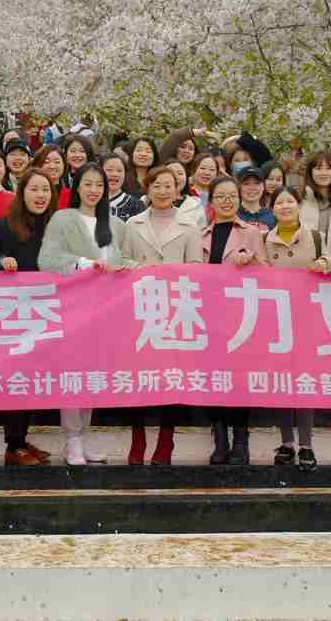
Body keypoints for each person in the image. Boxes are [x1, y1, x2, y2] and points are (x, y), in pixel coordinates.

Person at [39, 162, 136, 466]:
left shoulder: (116, 225)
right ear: (77, 186)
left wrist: (130, 268)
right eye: (88, 184)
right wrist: (83, 264)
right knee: (73, 373)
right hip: (73, 308)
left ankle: (84, 434)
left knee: (94, 375)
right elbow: (48, 258)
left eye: (99, 185)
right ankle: (72, 439)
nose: (94, 190)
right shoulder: (63, 218)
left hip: (106, 310)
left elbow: (127, 259)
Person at [120, 165, 205, 465]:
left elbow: (196, 266)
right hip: (142, 306)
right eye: (157, 185)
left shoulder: (189, 226)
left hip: (176, 308)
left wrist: (172, 273)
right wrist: (141, 269)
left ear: (177, 189)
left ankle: (166, 440)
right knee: (140, 376)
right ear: (148, 187)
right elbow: (125, 261)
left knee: (172, 376)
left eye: (168, 185)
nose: (163, 190)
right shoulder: (132, 224)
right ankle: (138, 437)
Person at [0, 168, 59, 466]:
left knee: (32, 378)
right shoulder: (5, 225)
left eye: (45, 190)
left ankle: (22, 439)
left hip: (46, 312)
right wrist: (3, 261)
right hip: (13, 313)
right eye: (34, 189)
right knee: (15, 377)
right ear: (22, 192)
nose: (40, 195)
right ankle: (12, 444)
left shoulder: (58, 226)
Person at [263, 186, 331, 471]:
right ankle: (286, 442)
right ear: (273, 209)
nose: (285, 206)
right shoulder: (264, 240)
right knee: (282, 383)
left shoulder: (316, 238)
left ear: (298, 205)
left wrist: (324, 263)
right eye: (279, 202)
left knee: (305, 382)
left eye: (289, 201)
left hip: (309, 321)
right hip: (275, 322)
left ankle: (306, 444)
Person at [200, 175, 265, 465]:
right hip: (207, 316)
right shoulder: (201, 234)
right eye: (221, 196)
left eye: (232, 196)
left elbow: (267, 271)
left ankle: (241, 438)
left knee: (238, 379)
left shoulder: (251, 232)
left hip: (240, 317)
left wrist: (251, 261)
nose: (227, 201)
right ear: (211, 202)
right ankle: (220, 438)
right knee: (214, 379)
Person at [102, 153, 146, 221]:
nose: (114, 174)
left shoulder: (136, 205)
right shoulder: (91, 201)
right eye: (109, 170)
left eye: (119, 170)